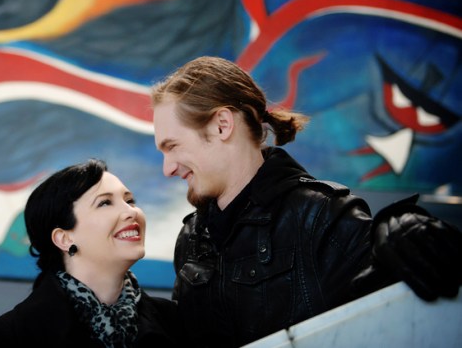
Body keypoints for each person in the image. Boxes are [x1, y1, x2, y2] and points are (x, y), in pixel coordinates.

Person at [150, 56, 462, 347]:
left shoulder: (323, 219)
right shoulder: (191, 239)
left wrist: (404, 230)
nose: (167, 168)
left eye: (172, 146)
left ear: (222, 124)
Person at [0, 159, 183, 348]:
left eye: (129, 200)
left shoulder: (174, 320)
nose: (132, 212)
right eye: (105, 203)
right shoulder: (14, 334)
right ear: (64, 238)